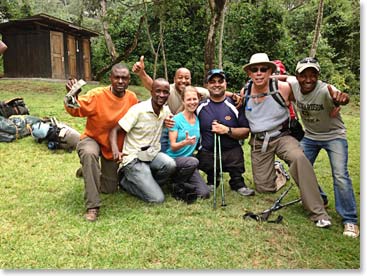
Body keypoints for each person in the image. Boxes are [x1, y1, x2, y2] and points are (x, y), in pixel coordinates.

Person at [242, 53, 331, 227]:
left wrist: (332, 100)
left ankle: (318, 212)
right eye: (255, 69)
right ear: (249, 73)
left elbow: (308, 89)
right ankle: (279, 171)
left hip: (282, 136)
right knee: (264, 189)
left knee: (299, 159)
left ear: (270, 71)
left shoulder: (282, 88)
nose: (259, 73)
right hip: (260, 142)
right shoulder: (244, 92)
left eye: (263, 69)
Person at [286, 57, 359, 237]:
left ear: (318, 76)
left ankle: (349, 220)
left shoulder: (326, 89)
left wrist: (342, 99)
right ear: (297, 75)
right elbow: (281, 77)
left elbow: (341, 96)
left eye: (313, 75)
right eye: (304, 75)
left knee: (340, 175)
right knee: (297, 165)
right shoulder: (294, 84)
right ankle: (320, 198)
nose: (309, 79)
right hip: (310, 137)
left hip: (334, 136)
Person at [64, 63, 139, 222]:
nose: (120, 81)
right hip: (93, 139)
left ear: (129, 80)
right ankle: (92, 206)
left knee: (110, 188)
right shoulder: (97, 95)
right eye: (116, 77)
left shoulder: (132, 98)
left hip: (112, 147)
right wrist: (72, 95)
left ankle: (87, 171)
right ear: (110, 78)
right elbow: (75, 109)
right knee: (90, 154)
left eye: (124, 78)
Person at [109, 78, 176, 203]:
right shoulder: (138, 110)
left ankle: (147, 183)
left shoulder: (165, 111)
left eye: (165, 92)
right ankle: (125, 182)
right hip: (134, 159)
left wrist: (169, 121)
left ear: (169, 94)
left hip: (151, 155)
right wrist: (115, 150)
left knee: (170, 164)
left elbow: (171, 119)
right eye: (158, 91)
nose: (161, 95)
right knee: (157, 199)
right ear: (151, 92)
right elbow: (114, 130)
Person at [195, 69, 255, 197]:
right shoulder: (199, 106)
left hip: (231, 150)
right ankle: (212, 180)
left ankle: (238, 182)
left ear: (225, 84)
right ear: (207, 85)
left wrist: (227, 130)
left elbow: (245, 131)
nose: (217, 84)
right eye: (212, 82)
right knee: (206, 154)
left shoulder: (236, 105)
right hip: (208, 151)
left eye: (220, 81)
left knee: (235, 154)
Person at [165, 86, 210, 202]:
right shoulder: (176, 120)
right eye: (189, 99)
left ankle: (181, 182)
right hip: (173, 159)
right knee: (193, 161)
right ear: (183, 101)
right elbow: (173, 147)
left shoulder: (198, 119)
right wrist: (184, 142)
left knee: (204, 193)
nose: (192, 102)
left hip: (189, 162)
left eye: (194, 99)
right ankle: (175, 183)